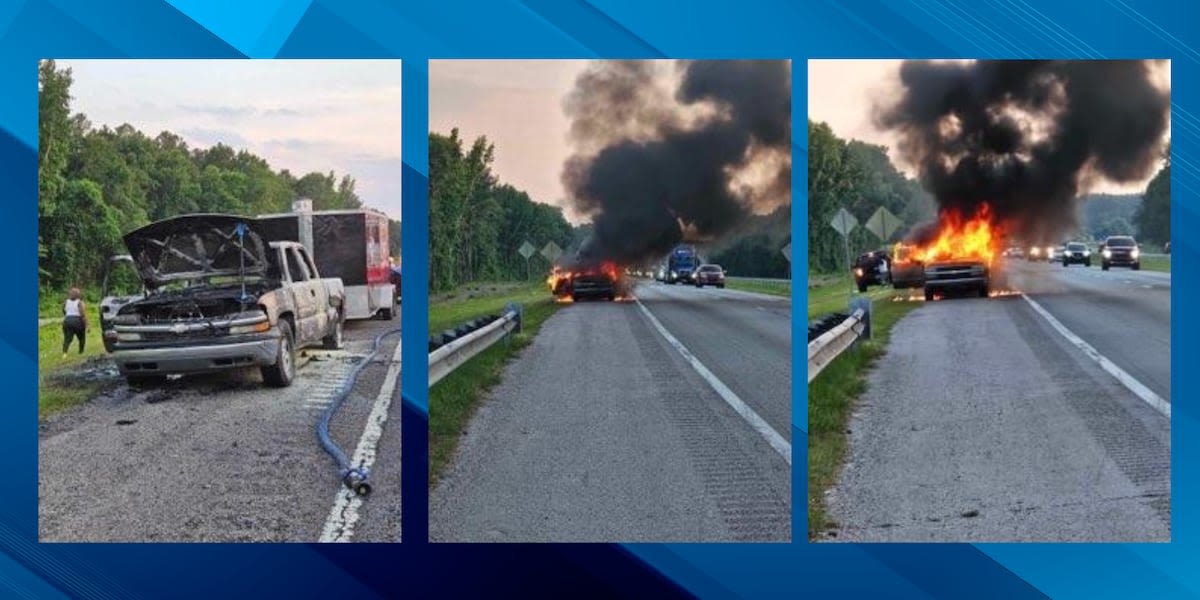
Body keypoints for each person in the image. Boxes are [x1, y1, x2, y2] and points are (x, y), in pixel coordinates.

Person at [62, 287, 88, 359]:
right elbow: (82, 314)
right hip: (77, 321)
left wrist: (68, 317)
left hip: (67, 320)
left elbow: (63, 311)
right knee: (81, 337)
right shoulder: (79, 302)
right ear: (78, 295)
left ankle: (64, 353)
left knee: (67, 338)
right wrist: (87, 325)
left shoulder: (66, 302)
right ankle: (81, 351)